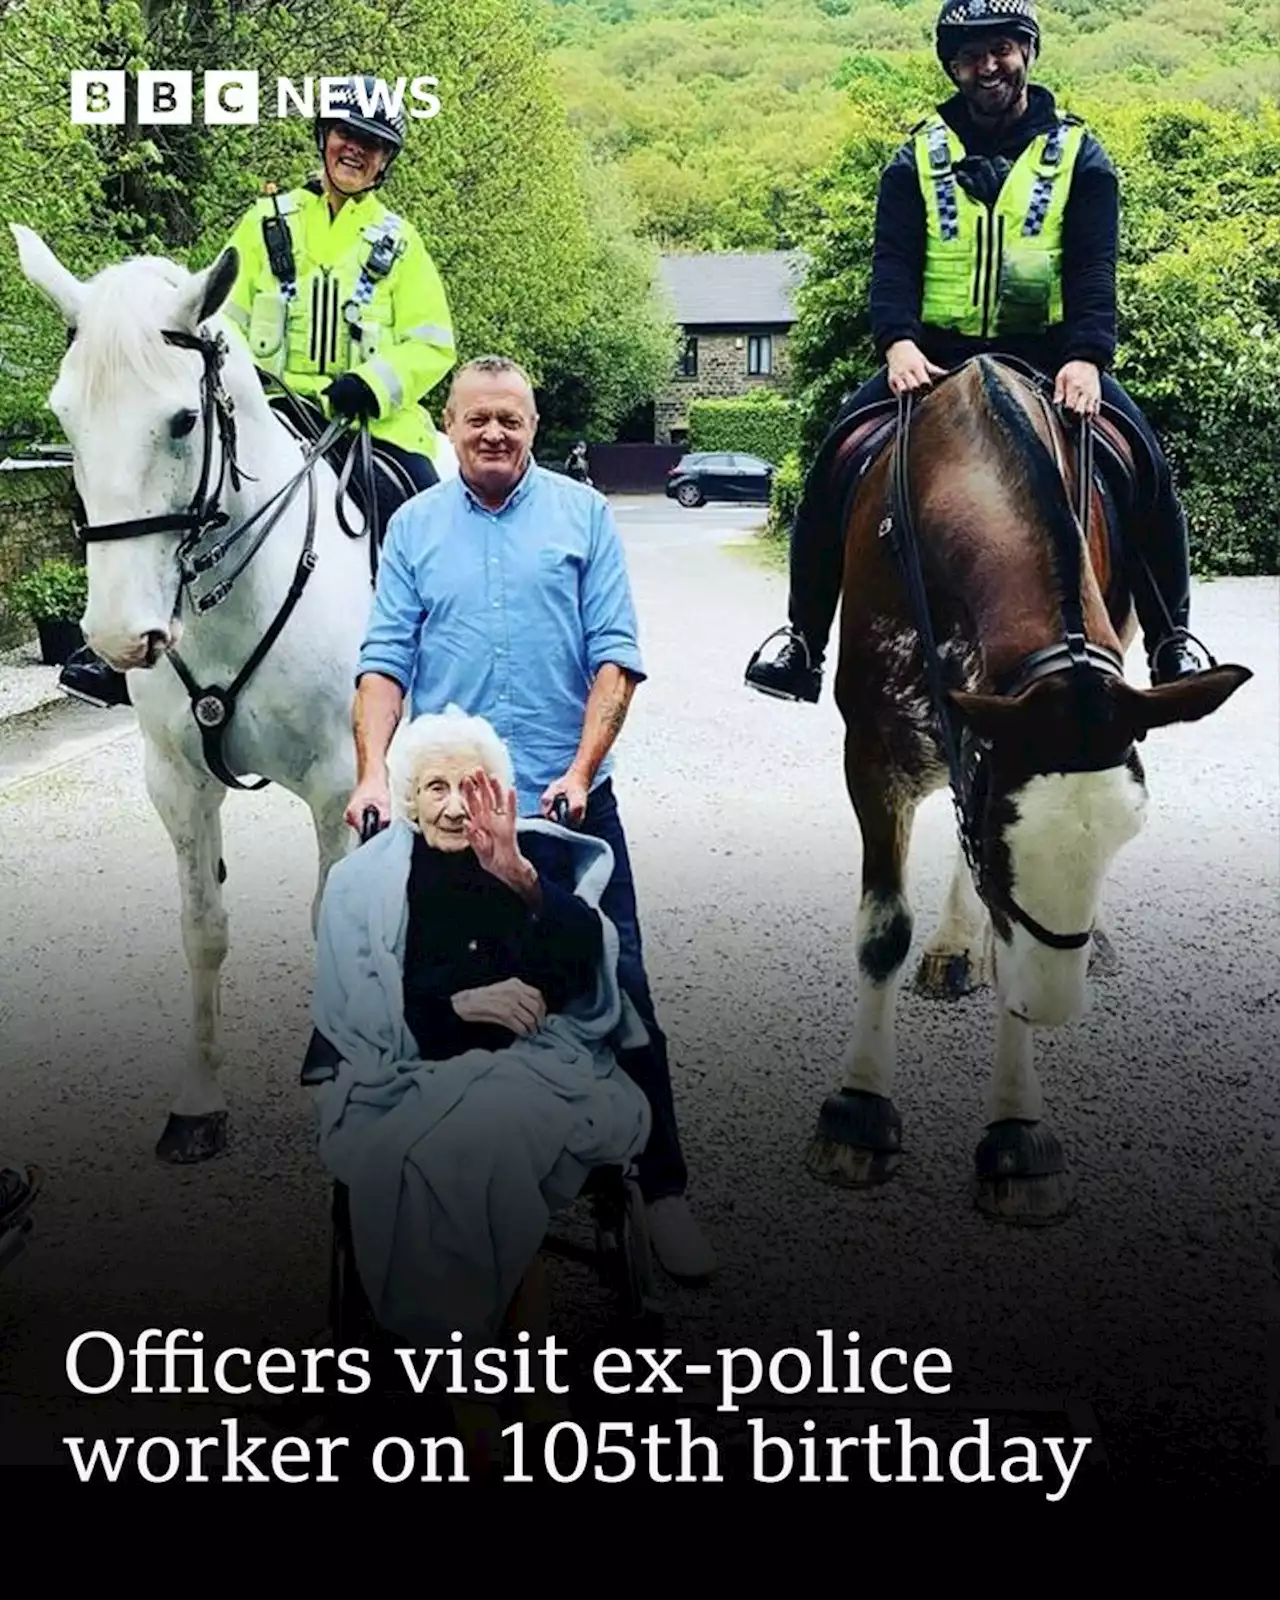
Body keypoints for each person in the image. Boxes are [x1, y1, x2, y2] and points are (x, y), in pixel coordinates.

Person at [344, 354, 716, 1283]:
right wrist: (371, 777)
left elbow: (616, 658)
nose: (494, 434)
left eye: (510, 419)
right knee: (426, 980)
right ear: (451, 422)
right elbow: (384, 660)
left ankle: (662, 1187)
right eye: (477, 419)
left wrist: (582, 770)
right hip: (448, 814)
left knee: (614, 976)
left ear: (535, 424)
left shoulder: (582, 515)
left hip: (564, 798)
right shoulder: (415, 528)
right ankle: (440, 1167)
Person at [744, 0, 1211, 706]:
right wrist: (897, 342)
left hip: (1049, 353)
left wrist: (1087, 355)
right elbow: (894, 261)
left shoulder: (1080, 155)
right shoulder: (915, 157)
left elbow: (1092, 268)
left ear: (1027, 51)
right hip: (933, 354)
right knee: (834, 460)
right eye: (970, 55)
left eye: (1001, 49)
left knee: (1145, 462)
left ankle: (1174, 639)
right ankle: (803, 641)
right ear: (952, 66)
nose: (988, 66)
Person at [308, 706, 652, 1474]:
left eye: (475, 787)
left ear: (501, 793)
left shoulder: (535, 863)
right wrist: (457, 1006)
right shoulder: (364, 885)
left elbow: (589, 988)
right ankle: (516, 1379)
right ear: (405, 796)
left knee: (484, 1130)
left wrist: (523, 881)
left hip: (542, 1067)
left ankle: (477, 1386)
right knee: (477, 1138)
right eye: (434, 788)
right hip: (406, 1074)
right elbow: (353, 1012)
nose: (457, 807)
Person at [59, 72, 457, 711]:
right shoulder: (264, 223)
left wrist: (374, 385)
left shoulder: (400, 244)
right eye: (345, 135)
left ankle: (433, 653)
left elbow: (433, 341)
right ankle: (121, 649)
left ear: (386, 161)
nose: (355, 150)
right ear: (323, 137)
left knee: (419, 502)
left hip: (365, 425)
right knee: (171, 483)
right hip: (268, 411)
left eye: (372, 143)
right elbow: (215, 321)